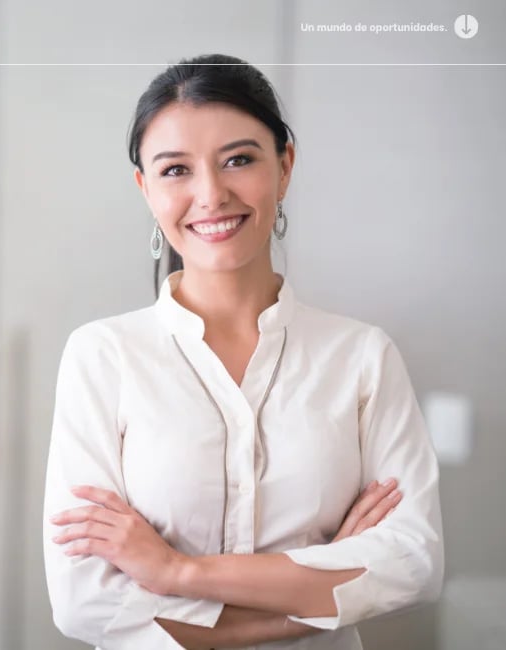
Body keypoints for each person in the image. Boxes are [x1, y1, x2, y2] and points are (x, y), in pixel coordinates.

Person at [42, 53, 443, 650]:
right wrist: (321, 580)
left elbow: (413, 563)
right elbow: (86, 602)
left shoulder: (361, 357)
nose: (211, 194)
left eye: (238, 160)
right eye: (175, 170)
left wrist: (178, 572)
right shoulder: (101, 357)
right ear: (146, 190)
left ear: (284, 166)